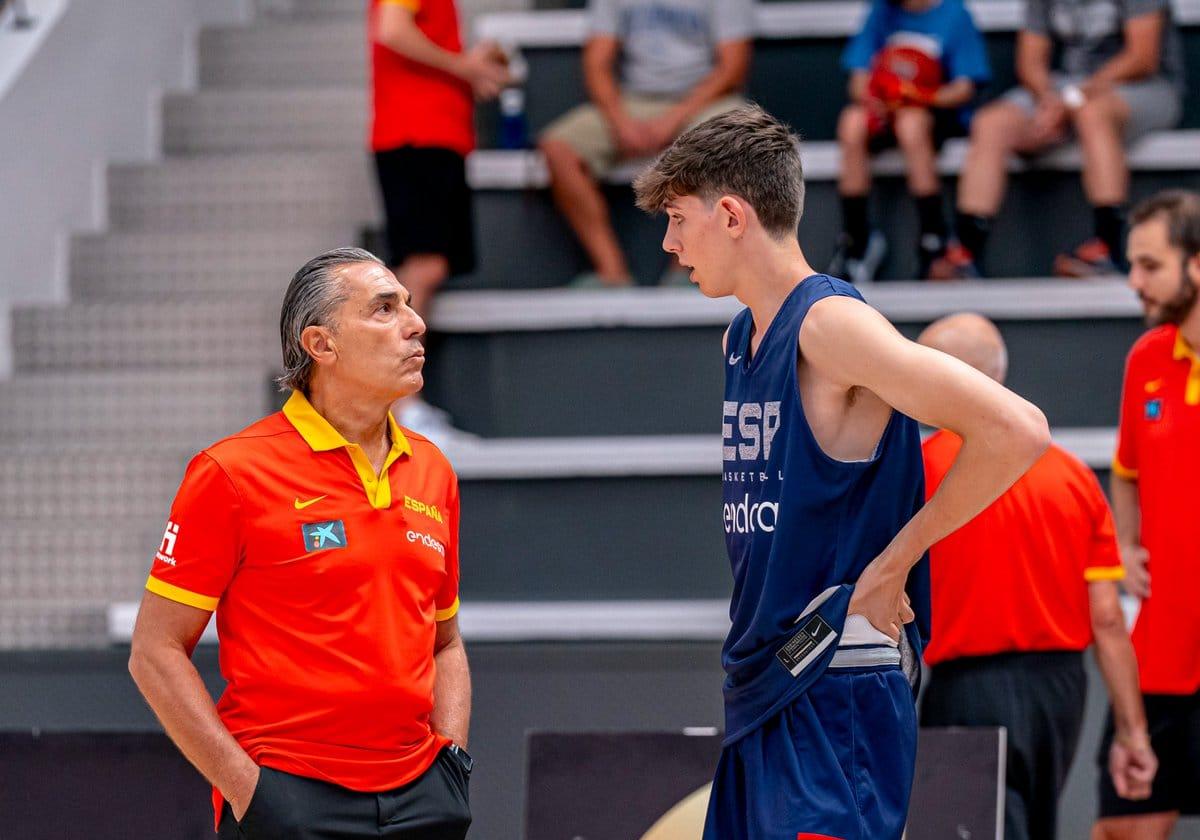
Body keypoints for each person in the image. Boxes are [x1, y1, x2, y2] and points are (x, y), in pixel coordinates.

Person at [633, 105, 1050, 840]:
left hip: (834, 674)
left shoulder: (830, 326)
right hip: (766, 677)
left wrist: (895, 563)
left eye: (676, 219)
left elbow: (1017, 429)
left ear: (731, 214)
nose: (669, 243)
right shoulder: (742, 336)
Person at [128, 248, 473, 839]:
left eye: (409, 306)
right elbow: (155, 653)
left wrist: (453, 765)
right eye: (384, 309)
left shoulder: (433, 469)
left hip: (423, 797)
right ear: (321, 344)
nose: (415, 324)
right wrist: (245, 789)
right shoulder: (232, 471)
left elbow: (445, 641)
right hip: (289, 796)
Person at [917, 313, 1156, 840]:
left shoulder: (918, 471)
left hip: (965, 690)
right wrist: (1133, 731)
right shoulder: (1071, 474)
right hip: (1062, 693)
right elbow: (1109, 620)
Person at [930, 0, 1184, 280]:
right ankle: (965, 253)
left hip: (1143, 88)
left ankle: (1106, 248)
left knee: (1091, 114)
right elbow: (1030, 62)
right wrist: (1049, 101)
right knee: (990, 123)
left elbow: (1141, 58)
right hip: (1067, 89)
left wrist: (1072, 99)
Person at [1094, 190, 1200, 839]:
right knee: (1125, 829)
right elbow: (1126, 471)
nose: (1133, 281)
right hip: (1158, 652)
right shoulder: (1146, 360)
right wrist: (1124, 547)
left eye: (1150, 265)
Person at [539, 0, 753, 288]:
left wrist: (673, 120)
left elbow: (732, 68)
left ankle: (686, 271)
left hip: (703, 101)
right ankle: (612, 274)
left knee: (722, 139)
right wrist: (620, 122)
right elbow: (596, 62)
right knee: (558, 149)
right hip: (632, 101)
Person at [370, 0, 510, 440]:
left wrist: (466, 63)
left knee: (426, 267)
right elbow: (390, 28)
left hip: (433, 135)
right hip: (418, 134)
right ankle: (399, 407)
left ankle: (398, 405)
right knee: (423, 267)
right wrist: (463, 64)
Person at [829, 0, 991, 283]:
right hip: (886, 110)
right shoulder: (881, 11)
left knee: (911, 124)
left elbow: (964, 88)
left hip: (933, 114)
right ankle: (856, 240)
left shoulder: (954, 14)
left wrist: (918, 96)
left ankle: (934, 237)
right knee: (851, 122)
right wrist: (874, 99)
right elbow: (857, 80)